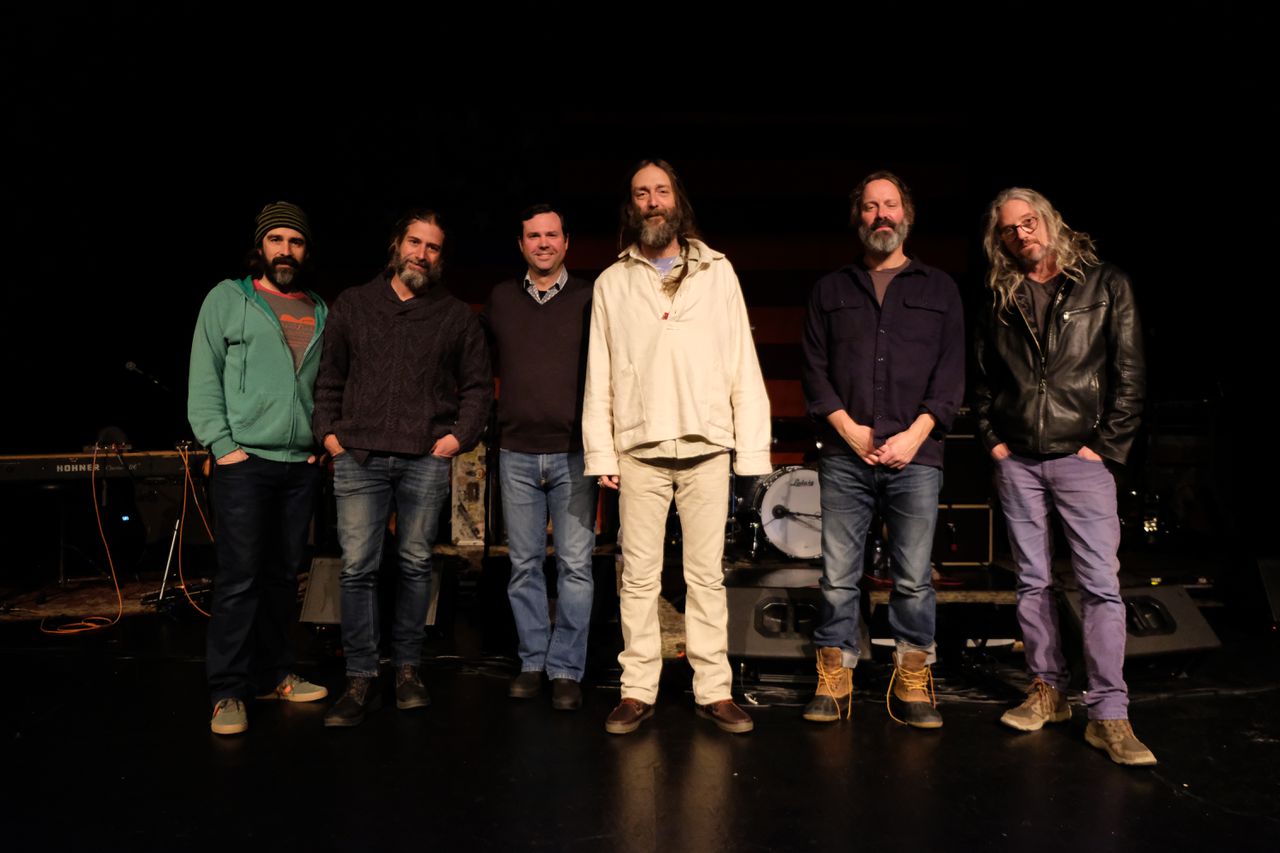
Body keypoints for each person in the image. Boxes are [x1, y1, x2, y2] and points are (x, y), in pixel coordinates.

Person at [583, 159, 771, 735]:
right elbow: (600, 372)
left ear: (676, 200)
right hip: (639, 446)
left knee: (705, 576)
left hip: (706, 444)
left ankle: (714, 689)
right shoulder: (612, 282)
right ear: (632, 204)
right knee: (637, 577)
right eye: (642, 193)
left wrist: (752, 454)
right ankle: (637, 689)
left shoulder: (718, 272)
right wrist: (601, 453)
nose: (652, 201)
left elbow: (741, 361)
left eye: (660, 191)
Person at [975, 186, 1155, 766]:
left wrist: (1105, 448)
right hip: (1019, 460)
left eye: (1029, 222)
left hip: (1083, 460)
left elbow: (1130, 374)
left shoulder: (1105, 284)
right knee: (1032, 581)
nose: (1021, 234)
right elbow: (982, 378)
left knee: (1100, 586)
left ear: (1049, 221)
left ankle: (1108, 714)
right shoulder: (1000, 295)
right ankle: (1047, 691)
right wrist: (994, 442)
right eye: (1009, 229)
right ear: (1000, 240)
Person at [314, 209, 491, 727]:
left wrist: (457, 439)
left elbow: (478, 388)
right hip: (358, 456)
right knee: (357, 568)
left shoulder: (455, 316)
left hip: (424, 458)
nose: (422, 254)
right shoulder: (354, 303)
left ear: (440, 257)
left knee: (415, 563)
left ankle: (408, 669)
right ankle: (361, 675)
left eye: (432, 247)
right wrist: (330, 437)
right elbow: (329, 377)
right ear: (397, 245)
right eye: (415, 242)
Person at [800, 171, 965, 728]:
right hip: (845, 454)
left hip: (916, 456)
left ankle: (913, 677)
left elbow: (951, 373)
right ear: (859, 218)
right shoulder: (830, 290)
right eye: (871, 207)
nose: (881, 215)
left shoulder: (939, 289)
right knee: (837, 575)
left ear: (906, 215)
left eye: (890, 205)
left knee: (914, 577)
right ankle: (835, 676)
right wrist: (850, 430)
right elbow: (814, 370)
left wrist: (915, 434)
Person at [188, 201, 329, 735]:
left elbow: (326, 385)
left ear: (305, 250)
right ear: (261, 246)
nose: (285, 251)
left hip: (299, 466)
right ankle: (227, 691)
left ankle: (275, 675)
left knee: (282, 578)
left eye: (295, 241)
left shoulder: (319, 309)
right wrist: (222, 445)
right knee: (239, 579)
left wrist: (319, 442)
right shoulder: (229, 299)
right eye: (276, 240)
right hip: (244, 463)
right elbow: (204, 375)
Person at [482, 203, 596, 711]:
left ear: (566, 242)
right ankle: (532, 661)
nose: (543, 243)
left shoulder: (591, 296)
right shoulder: (502, 299)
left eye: (552, 235)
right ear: (521, 244)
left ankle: (566, 668)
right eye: (534, 236)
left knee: (575, 566)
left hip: (575, 453)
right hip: (516, 453)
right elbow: (476, 365)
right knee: (524, 566)